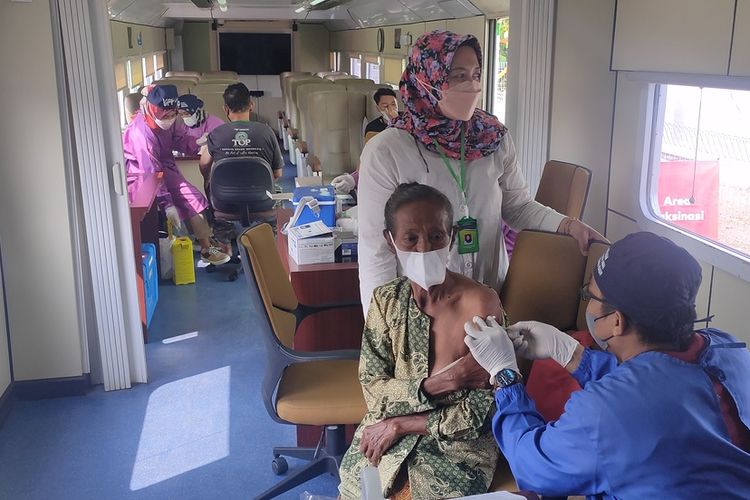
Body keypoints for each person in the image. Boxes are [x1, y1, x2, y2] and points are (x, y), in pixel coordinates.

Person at [464, 231, 750, 499]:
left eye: (589, 296)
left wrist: (505, 376)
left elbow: (533, 465)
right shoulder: (726, 348)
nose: (587, 304)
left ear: (617, 320)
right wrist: (572, 354)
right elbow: (661, 388)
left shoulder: (605, 415)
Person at [357, 30, 605, 314]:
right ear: (427, 79)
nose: (472, 86)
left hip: (490, 293)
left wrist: (567, 225)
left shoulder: (492, 137)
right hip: (422, 306)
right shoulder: (387, 150)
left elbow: (518, 206)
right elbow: (376, 249)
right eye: (458, 76)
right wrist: (384, 328)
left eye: (476, 75)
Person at [338, 183, 504, 500]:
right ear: (390, 241)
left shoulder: (481, 304)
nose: (424, 248)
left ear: (452, 236)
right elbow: (373, 388)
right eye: (410, 238)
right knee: (357, 491)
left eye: (436, 236)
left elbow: (487, 407)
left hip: (456, 447)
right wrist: (443, 381)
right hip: (386, 432)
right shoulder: (386, 301)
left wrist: (404, 423)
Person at [123, 84, 230, 265]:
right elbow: (151, 171)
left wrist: (197, 141)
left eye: (173, 115)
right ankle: (206, 247)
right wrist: (167, 203)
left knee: (194, 197)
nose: (170, 119)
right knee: (190, 198)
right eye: (167, 116)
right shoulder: (141, 133)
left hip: (164, 165)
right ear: (153, 110)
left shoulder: (166, 121)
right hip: (141, 173)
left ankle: (206, 244)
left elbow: (178, 139)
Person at [199, 83, 283, 199]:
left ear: (225, 108)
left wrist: (208, 179)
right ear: (251, 105)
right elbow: (277, 173)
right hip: (262, 202)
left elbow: (204, 164)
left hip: (225, 203)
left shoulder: (216, 134)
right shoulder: (267, 132)